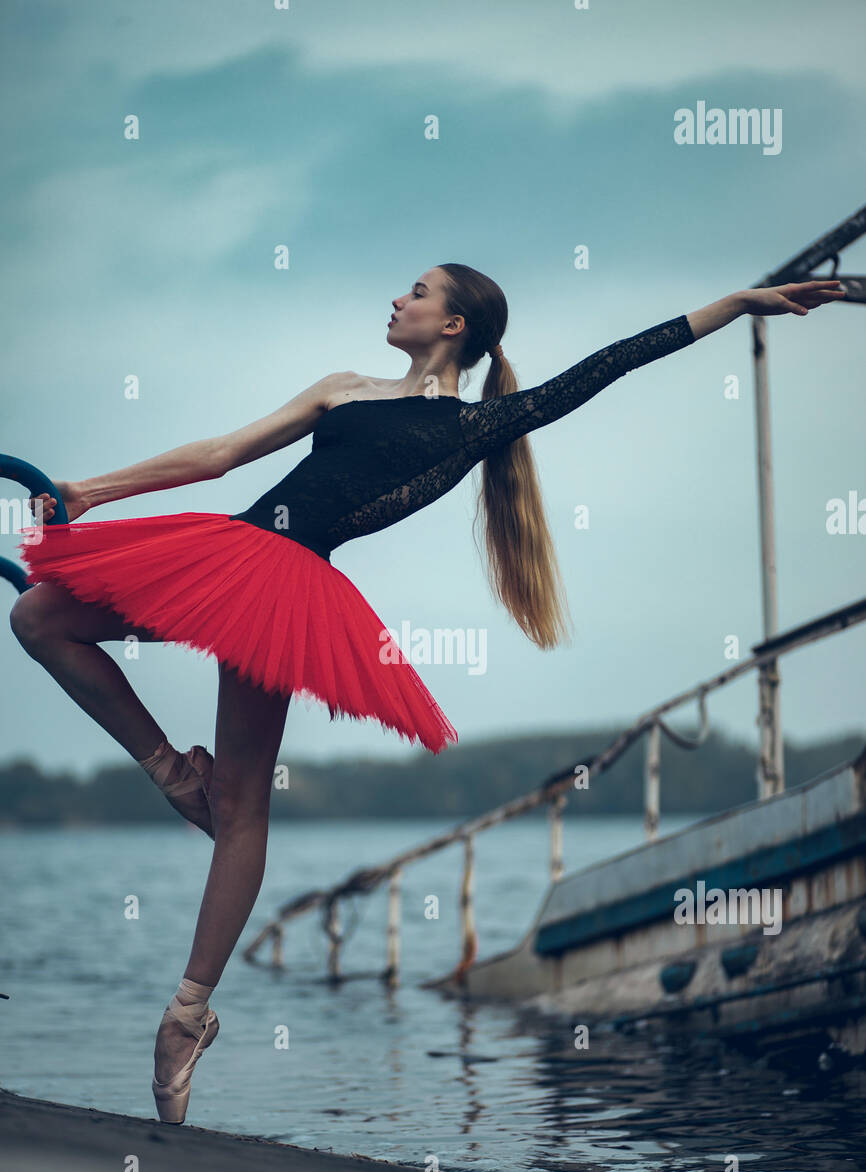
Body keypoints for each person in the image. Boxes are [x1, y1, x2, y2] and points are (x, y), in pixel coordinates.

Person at [9, 263, 845, 1122]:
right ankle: (169, 771)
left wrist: (739, 303)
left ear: (453, 327)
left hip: (287, 590)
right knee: (39, 616)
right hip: (224, 549)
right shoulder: (342, 387)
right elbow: (223, 454)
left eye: (416, 291)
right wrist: (86, 490)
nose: (397, 298)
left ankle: (188, 1014)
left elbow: (615, 360)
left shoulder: (477, 424)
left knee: (245, 807)